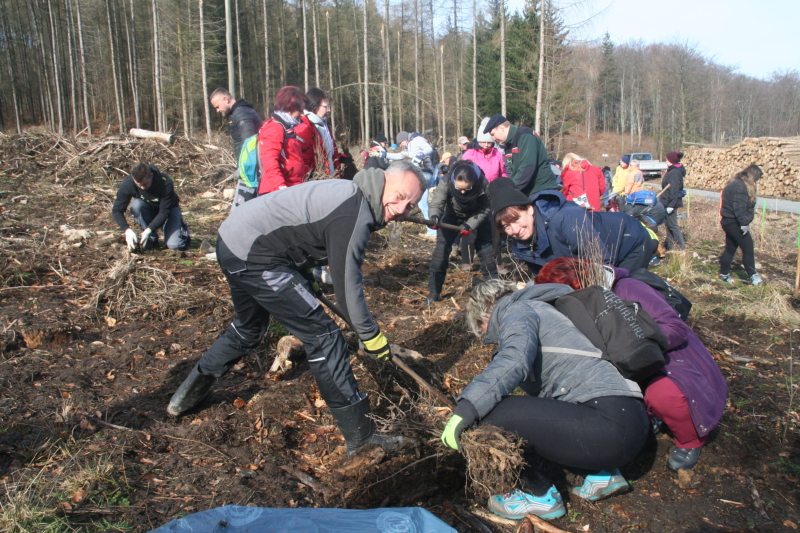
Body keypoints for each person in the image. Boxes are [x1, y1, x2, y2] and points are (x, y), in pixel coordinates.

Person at [167, 161, 426, 455]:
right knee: (324, 337)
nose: (403, 208)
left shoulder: (349, 190)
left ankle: (185, 396)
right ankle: (361, 437)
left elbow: (296, 231)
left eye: (412, 204)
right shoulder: (354, 211)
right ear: (384, 180)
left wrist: (304, 278)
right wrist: (370, 334)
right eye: (401, 195)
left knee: (249, 328)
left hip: (233, 241)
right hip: (255, 256)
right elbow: (346, 284)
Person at [441, 279, 648, 520]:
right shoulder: (549, 309)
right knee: (536, 413)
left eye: (481, 328)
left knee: (492, 412)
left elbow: (514, 359)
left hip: (607, 427)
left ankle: (538, 496)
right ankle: (602, 474)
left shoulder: (516, 310)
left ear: (484, 315)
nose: (485, 335)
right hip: (629, 421)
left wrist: (468, 407)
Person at [536, 257, 727, 471]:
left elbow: (675, 328)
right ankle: (649, 415)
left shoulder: (627, 288)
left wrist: (631, 340)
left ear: (581, 286)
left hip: (666, 359)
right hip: (626, 364)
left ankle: (690, 439)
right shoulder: (577, 303)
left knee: (664, 395)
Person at [487, 177, 657, 275]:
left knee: (623, 294)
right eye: (506, 226)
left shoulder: (565, 218)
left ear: (530, 209)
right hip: (597, 260)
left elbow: (600, 263)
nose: (514, 230)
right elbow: (545, 278)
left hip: (628, 240)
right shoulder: (520, 245)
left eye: (516, 219)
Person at [425, 161, 499, 304]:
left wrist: (470, 224)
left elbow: (485, 208)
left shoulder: (483, 184)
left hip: (477, 216)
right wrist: (434, 217)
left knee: (487, 254)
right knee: (440, 254)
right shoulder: (446, 181)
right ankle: (434, 292)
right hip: (451, 215)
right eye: (459, 189)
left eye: (467, 189)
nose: (463, 192)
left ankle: (495, 290)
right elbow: (437, 203)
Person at [112, 162, 189, 251]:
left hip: (169, 211)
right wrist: (127, 230)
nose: (142, 188)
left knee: (175, 245)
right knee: (136, 205)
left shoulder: (165, 182)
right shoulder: (128, 184)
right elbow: (117, 210)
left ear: (151, 176)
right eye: (138, 185)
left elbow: (164, 212)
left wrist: (149, 229)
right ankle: (152, 239)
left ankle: (179, 230)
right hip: (148, 210)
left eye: (145, 184)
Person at [483, 114, 558, 196]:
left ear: (501, 128)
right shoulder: (508, 145)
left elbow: (527, 167)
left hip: (542, 190)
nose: (493, 139)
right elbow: (513, 173)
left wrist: (510, 190)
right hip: (526, 191)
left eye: (493, 134)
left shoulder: (525, 135)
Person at [257, 86, 312, 196]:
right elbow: (270, 162)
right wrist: (280, 187)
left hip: (292, 188)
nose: (302, 115)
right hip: (277, 192)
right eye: (300, 110)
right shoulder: (274, 128)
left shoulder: (288, 127)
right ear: (289, 107)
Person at [719, 165, 763, 286]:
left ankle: (724, 274)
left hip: (728, 221)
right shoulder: (741, 187)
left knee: (730, 248)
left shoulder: (735, 183)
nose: (756, 182)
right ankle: (753, 276)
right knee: (748, 248)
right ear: (752, 176)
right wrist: (744, 223)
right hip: (735, 223)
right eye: (756, 179)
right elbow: (739, 208)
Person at [388, 131, 437, 238]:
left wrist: (421, 154)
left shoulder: (417, 140)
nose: (400, 145)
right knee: (423, 204)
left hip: (424, 173)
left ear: (405, 140)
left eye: (400, 142)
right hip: (424, 174)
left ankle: (433, 232)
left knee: (415, 199)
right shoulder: (409, 147)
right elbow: (399, 156)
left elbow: (428, 148)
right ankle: (432, 231)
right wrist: (383, 154)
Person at [209, 88, 263, 159]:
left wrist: (247, 166)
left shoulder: (241, 113)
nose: (217, 110)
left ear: (225, 100)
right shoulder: (236, 113)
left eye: (217, 107)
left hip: (251, 161)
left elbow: (249, 143)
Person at [301, 88, 342, 178]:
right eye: (325, 107)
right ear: (314, 106)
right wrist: (315, 176)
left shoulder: (324, 125)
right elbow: (304, 159)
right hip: (317, 180)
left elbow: (328, 153)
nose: (329, 110)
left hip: (330, 177)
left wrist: (339, 158)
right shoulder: (304, 127)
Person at [462, 117, 507, 183]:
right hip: (477, 188)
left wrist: (504, 183)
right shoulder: (470, 154)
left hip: (494, 187)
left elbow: (503, 173)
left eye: (488, 143)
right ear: (479, 142)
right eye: (483, 142)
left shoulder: (498, 154)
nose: (486, 145)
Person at [660, 151, 686, 251]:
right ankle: (669, 246)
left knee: (673, 225)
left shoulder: (675, 172)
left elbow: (674, 190)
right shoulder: (672, 170)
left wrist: (671, 205)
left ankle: (681, 247)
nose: (666, 161)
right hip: (666, 201)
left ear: (671, 160)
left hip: (670, 202)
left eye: (667, 159)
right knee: (668, 225)